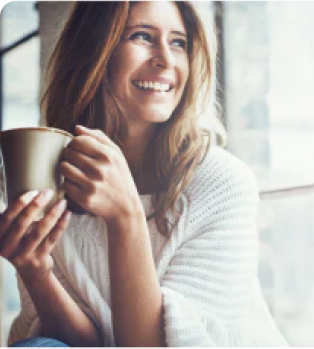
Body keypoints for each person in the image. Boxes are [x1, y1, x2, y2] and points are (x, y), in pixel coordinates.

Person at [2, 0, 289, 347]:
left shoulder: (223, 184)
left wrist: (126, 216)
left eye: (179, 43)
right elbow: (84, 344)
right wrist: (36, 272)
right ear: (94, 50)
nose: (166, 60)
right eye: (142, 36)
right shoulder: (52, 176)